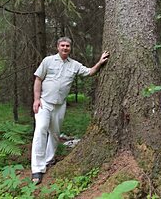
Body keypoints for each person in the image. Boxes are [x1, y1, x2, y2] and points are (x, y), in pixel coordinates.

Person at [31, 36, 109, 184]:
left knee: (54, 134)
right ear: (57, 47)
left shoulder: (74, 65)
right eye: (62, 45)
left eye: (67, 46)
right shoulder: (48, 61)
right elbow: (38, 79)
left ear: (70, 48)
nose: (65, 48)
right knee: (41, 129)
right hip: (44, 103)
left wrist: (100, 62)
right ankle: (37, 169)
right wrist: (36, 99)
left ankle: (48, 160)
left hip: (60, 105)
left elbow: (90, 72)